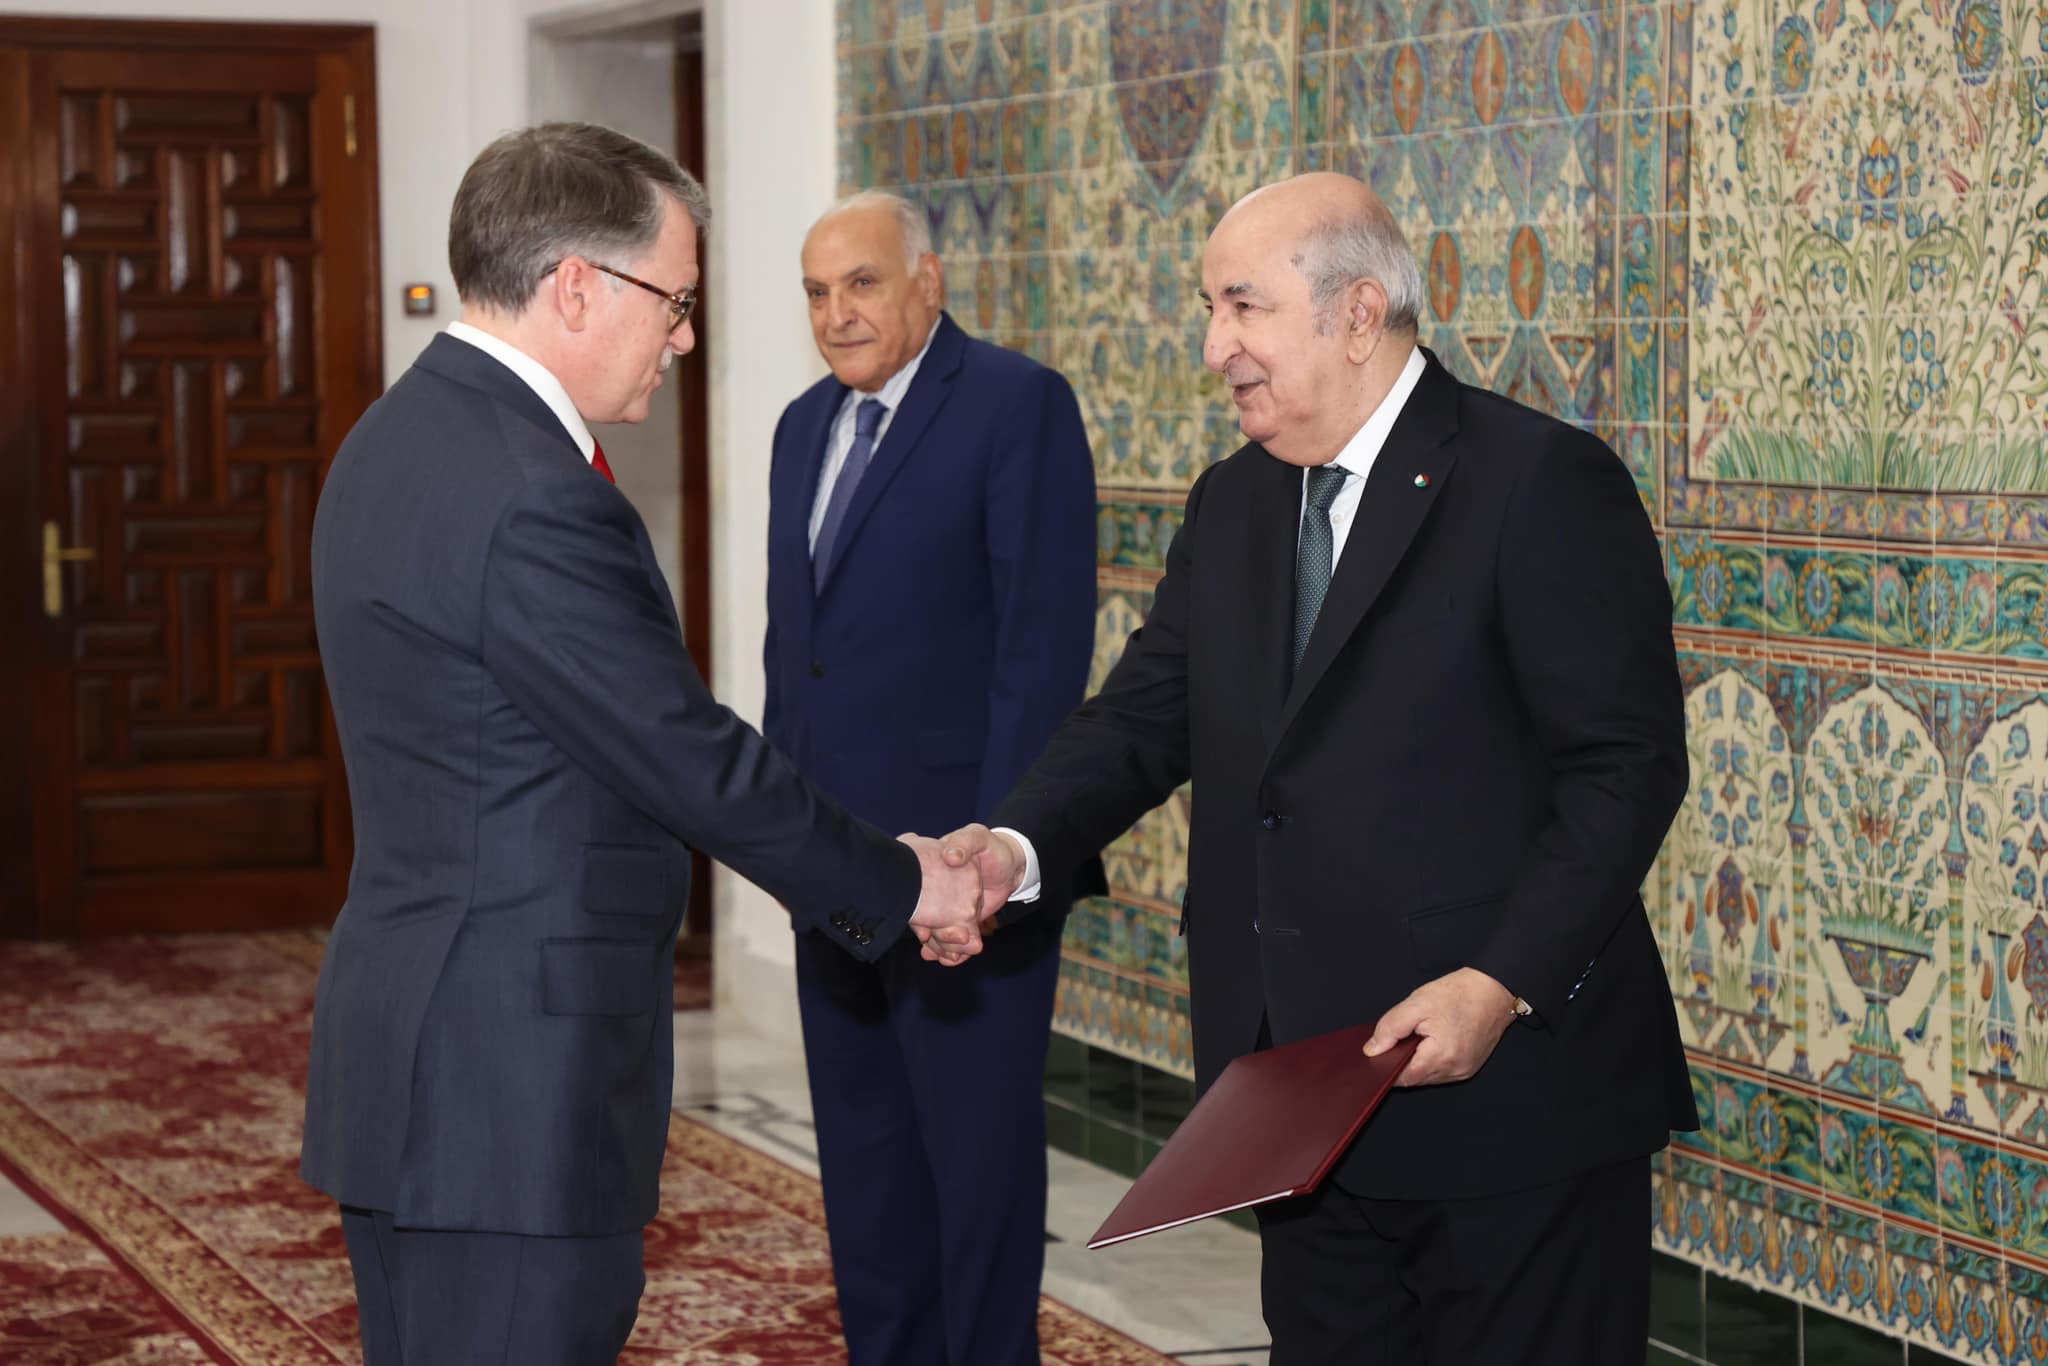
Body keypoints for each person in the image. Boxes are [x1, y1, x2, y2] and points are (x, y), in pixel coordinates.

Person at [943, 172, 1698, 1363]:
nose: (1213, 347)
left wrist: (1497, 981)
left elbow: (1625, 766)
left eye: (1240, 306)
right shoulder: (1233, 501)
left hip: (1505, 1105)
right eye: (1210, 308)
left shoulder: (1534, 480)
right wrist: (1013, 846)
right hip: (1295, 1103)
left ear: (1356, 314)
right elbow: (1140, 718)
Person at [299, 123, 988, 1366]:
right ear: (576, 284)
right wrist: (904, 882)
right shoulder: (532, 490)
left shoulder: (391, 439)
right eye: (672, 301)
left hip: (418, 1054)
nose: (682, 338)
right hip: (509, 1088)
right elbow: (686, 756)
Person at [761, 191, 1100, 1366]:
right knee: (864, 1168)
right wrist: (786, 846)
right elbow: (794, 657)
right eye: (816, 292)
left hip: (965, 881)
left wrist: (989, 859)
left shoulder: (1015, 405)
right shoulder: (800, 427)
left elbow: (1038, 658)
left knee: (976, 1173)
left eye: (861, 283)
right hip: (834, 874)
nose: (836, 313)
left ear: (927, 280)